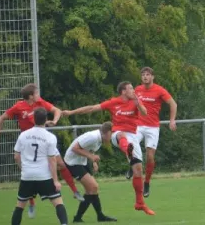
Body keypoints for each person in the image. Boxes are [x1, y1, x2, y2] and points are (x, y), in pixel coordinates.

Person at [0, 83, 82, 219]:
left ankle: (75, 191)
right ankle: (32, 202)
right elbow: (1, 118)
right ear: (31, 96)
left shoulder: (40, 102)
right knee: (34, 169)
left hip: (43, 139)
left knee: (61, 164)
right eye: (37, 93)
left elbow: (56, 110)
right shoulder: (18, 106)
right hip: (28, 140)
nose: (39, 95)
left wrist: (55, 121)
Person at [62, 81, 155, 216]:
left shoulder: (136, 101)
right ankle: (126, 148)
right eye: (131, 88)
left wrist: (138, 102)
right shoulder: (114, 102)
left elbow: (145, 113)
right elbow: (92, 108)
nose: (134, 90)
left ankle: (139, 203)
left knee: (138, 170)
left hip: (132, 136)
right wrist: (71, 112)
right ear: (123, 91)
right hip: (116, 134)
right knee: (122, 136)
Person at [125, 67, 177, 198]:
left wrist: (172, 120)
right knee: (129, 145)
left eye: (148, 75)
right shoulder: (137, 89)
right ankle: (132, 165)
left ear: (152, 77)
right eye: (143, 75)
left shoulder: (159, 90)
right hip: (138, 125)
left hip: (153, 127)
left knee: (149, 157)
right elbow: (129, 103)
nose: (145, 77)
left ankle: (147, 182)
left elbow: (173, 104)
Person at [12, 107, 69, 225]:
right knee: (58, 202)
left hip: (27, 176)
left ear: (33, 119)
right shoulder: (50, 137)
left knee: (20, 206)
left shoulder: (23, 135)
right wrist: (56, 181)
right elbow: (52, 159)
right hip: (44, 176)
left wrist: (23, 169)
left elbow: (16, 156)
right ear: (46, 119)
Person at [63, 122, 116, 223]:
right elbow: (75, 148)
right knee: (93, 187)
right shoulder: (93, 137)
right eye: (112, 133)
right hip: (72, 162)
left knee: (92, 190)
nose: (112, 136)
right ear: (107, 132)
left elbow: (90, 149)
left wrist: (93, 162)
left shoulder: (99, 139)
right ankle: (95, 216)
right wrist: (91, 157)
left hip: (81, 162)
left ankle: (83, 217)